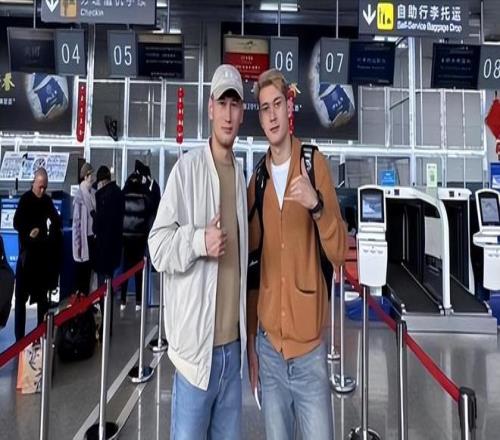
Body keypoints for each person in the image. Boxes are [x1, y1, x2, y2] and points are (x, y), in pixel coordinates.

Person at [246, 68, 347, 440]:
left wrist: (316, 206)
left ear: (289, 108)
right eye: (265, 108)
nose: (272, 115)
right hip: (269, 349)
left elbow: (338, 252)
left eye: (278, 105)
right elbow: (253, 268)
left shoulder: (313, 164)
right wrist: (252, 345)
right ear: (260, 118)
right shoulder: (257, 180)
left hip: (309, 352)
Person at [148, 64, 248, 440]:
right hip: (194, 358)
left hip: (232, 354)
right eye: (221, 103)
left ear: (242, 113)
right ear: (209, 108)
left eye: (234, 105)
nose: (227, 114)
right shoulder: (186, 170)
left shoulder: (241, 177)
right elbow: (157, 247)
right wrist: (197, 242)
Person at [14, 168, 62, 341]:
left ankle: (40, 335)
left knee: (42, 300)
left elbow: (56, 221)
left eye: (45, 187)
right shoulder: (25, 200)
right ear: (34, 183)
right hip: (27, 256)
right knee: (20, 300)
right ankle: (19, 339)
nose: (42, 190)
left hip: (41, 257)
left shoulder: (47, 201)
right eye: (40, 186)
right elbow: (16, 222)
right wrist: (29, 232)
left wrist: (50, 235)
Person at [121, 160, 160, 311]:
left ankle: (123, 300)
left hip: (126, 235)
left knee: (125, 269)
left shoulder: (126, 188)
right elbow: (151, 207)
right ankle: (138, 301)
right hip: (140, 235)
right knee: (138, 270)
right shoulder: (145, 190)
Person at [93, 165, 124, 335]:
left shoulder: (101, 196)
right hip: (115, 247)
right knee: (110, 286)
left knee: (101, 288)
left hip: (102, 249)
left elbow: (98, 225)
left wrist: (93, 215)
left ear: (101, 181)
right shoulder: (119, 194)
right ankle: (108, 324)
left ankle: (105, 325)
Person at [72, 162, 96, 296]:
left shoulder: (93, 193)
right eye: (91, 174)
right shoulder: (80, 197)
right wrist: (77, 245)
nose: (93, 178)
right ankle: (82, 300)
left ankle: (87, 299)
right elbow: (76, 224)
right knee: (83, 273)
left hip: (92, 238)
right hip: (83, 240)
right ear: (86, 176)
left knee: (89, 272)